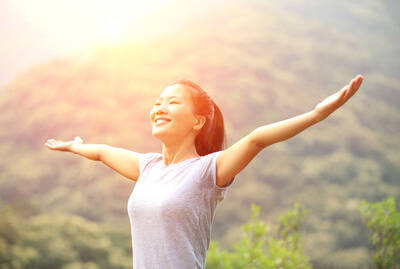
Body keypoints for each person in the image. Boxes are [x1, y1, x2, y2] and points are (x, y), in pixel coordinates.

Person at [45, 75, 364, 268]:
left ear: (197, 122)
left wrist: (318, 114)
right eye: (157, 102)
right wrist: (75, 147)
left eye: (172, 102)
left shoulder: (208, 171)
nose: (160, 107)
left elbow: (256, 140)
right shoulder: (148, 167)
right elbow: (102, 152)